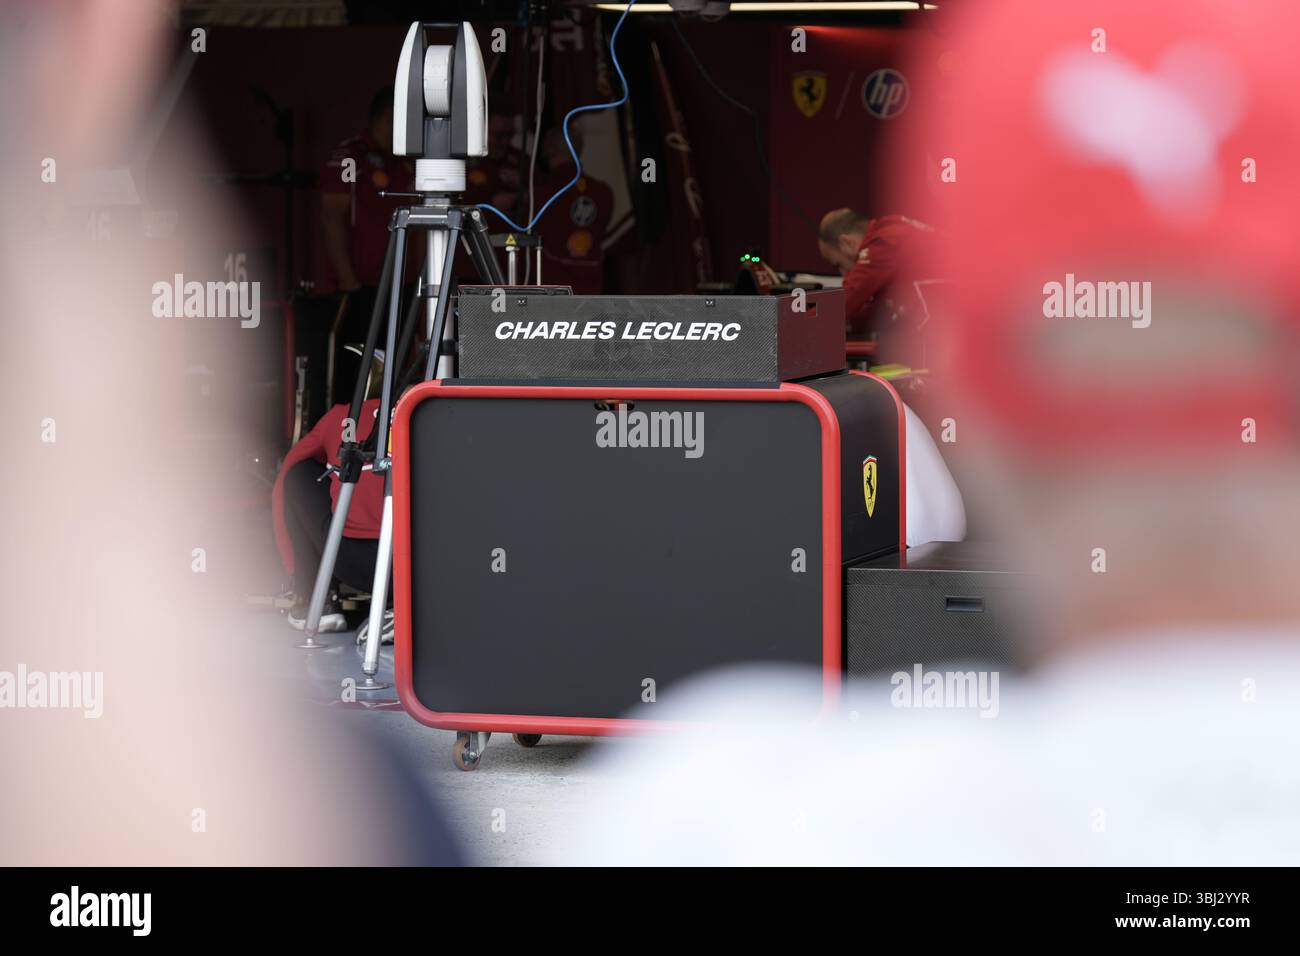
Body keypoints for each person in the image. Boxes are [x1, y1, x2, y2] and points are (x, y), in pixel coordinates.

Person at [272, 398, 387, 635]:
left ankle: (316, 600)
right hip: (418, 569)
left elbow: (286, 475)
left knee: (299, 474)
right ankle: (404, 604)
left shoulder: (340, 416)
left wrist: (294, 570)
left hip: (351, 561)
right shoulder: (426, 409)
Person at [816, 208, 938, 366]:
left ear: (847, 242)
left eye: (838, 264)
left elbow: (844, 301)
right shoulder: (894, 232)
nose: (843, 274)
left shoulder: (886, 242)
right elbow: (879, 310)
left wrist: (794, 322)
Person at [529, 128, 614, 293]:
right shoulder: (604, 192)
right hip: (592, 291)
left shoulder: (541, 193)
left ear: (549, 151)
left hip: (551, 293)